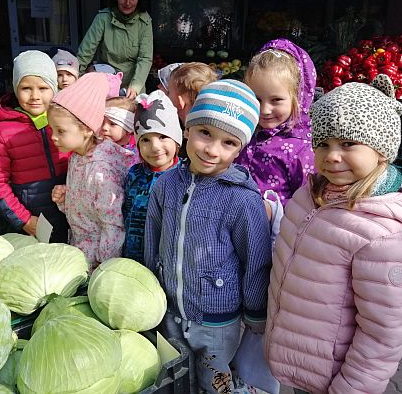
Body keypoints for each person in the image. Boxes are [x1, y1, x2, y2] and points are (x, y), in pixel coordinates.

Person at [264, 75, 402, 394]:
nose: (332, 156)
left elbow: (383, 334)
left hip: (336, 380)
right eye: (323, 144)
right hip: (302, 362)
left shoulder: (383, 237)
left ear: (382, 150)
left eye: (348, 143)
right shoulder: (309, 196)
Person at [145, 80, 272, 394]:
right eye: (205, 133)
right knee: (175, 374)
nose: (213, 150)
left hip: (217, 320)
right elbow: (152, 238)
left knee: (215, 380)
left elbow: (256, 261)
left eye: (229, 143)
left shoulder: (242, 200)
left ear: (240, 148)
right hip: (170, 309)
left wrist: (255, 312)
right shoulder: (165, 184)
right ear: (188, 128)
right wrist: (149, 289)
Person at [48, 73, 134, 268]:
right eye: (52, 129)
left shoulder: (102, 170)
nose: (53, 137)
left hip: (96, 260)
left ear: (87, 128)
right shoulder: (78, 156)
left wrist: (104, 264)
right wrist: (65, 199)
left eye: (61, 131)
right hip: (81, 249)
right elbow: (87, 204)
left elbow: (113, 225)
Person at [0, 50, 70, 240]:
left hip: (72, 215)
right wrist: (24, 220)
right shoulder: (2, 132)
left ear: (54, 88)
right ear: (15, 89)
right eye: (26, 88)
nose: (35, 96)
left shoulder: (67, 121)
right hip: (34, 222)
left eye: (43, 88)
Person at [234, 39, 316, 208]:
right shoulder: (243, 131)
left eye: (276, 100)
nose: (264, 110)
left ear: (298, 97)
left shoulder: (301, 149)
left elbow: (308, 206)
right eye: (256, 99)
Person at [122, 90, 182, 263]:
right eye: (145, 140)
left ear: (177, 140)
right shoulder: (134, 174)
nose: (155, 147)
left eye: (163, 137)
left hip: (165, 260)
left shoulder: (184, 176)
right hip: (133, 256)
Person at [77, 0, 152, 99]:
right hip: (106, 83)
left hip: (133, 86)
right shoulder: (103, 18)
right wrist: (74, 77)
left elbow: (145, 58)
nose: (127, 3)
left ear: (139, 0)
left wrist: (136, 86)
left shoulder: (145, 21)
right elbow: (85, 52)